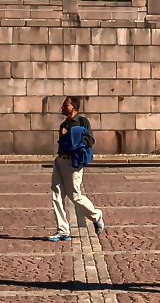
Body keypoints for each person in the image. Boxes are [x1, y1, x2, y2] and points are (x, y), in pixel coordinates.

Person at [49, 96, 104, 242]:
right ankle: (63, 230)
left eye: (65, 104)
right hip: (60, 160)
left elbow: (90, 140)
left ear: (73, 107)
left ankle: (95, 215)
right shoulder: (63, 124)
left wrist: (73, 136)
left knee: (75, 196)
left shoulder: (82, 122)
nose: (62, 107)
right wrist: (62, 137)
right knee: (57, 195)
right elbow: (63, 144)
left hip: (73, 163)